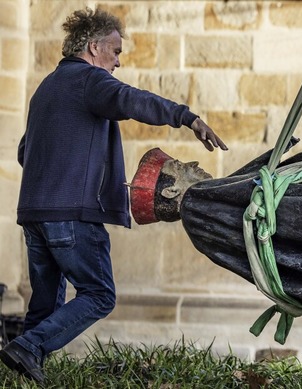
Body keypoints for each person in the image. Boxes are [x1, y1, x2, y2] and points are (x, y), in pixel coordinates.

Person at [0, 8, 227, 383]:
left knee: (44, 304)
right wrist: (187, 117)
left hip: (35, 215)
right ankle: (28, 348)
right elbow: (131, 100)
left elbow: (27, 152)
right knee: (100, 294)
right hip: (73, 216)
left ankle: (20, 370)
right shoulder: (90, 81)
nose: (118, 61)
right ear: (93, 47)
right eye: (116, 51)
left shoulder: (46, 89)